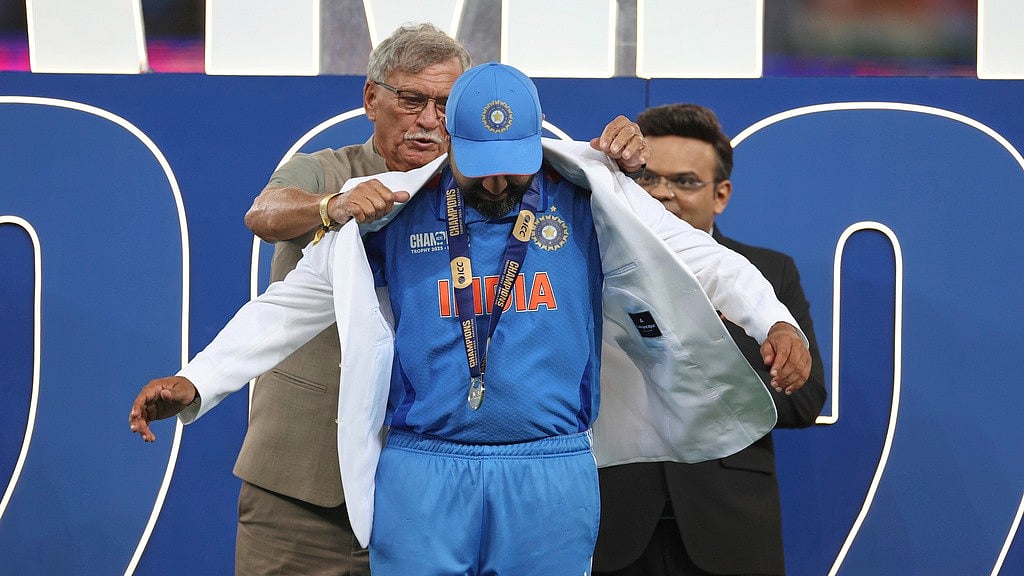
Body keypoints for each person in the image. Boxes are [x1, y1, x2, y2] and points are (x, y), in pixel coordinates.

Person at [130, 63, 811, 575]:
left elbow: (704, 258)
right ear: (447, 141)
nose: (494, 184)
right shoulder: (389, 210)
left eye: (510, 169)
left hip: (550, 469)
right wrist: (196, 383)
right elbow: (289, 305)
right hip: (424, 468)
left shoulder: (590, 199)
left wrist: (776, 322)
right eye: (477, 167)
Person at [169, 23, 645, 576]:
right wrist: (334, 207)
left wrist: (627, 167)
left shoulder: (491, 186)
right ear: (371, 98)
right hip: (306, 475)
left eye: (446, 104)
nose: (428, 119)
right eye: (411, 99)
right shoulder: (330, 170)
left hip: (420, 472)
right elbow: (265, 214)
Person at [592, 103, 828, 576]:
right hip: (612, 514)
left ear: (720, 195)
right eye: (646, 178)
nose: (662, 194)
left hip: (730, 523)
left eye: (685, 181)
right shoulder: (588, 262)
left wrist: (721, 333)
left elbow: (804, 400)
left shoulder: (767, 274)